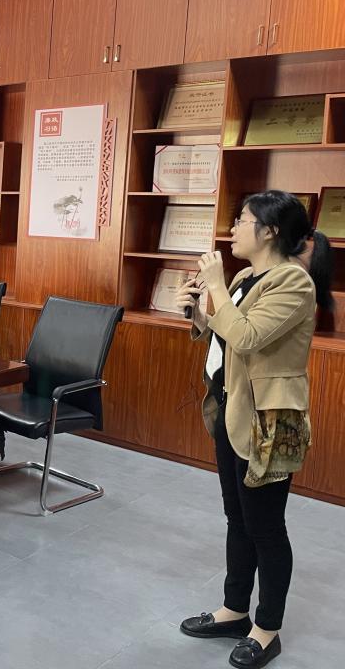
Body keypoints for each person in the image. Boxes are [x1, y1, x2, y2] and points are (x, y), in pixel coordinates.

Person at [174, 191, 332, 669]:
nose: (233, 228)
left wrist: (215, 286)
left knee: (265, 526)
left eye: (242, 220)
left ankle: (267, 629)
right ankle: (234, 610)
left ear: (270, 231)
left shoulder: (294, 283)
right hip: (232, 409)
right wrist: (198, 314)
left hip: (269, 421)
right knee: (236, 517)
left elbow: (247, 336)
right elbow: (228, 336)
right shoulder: (246, 277)